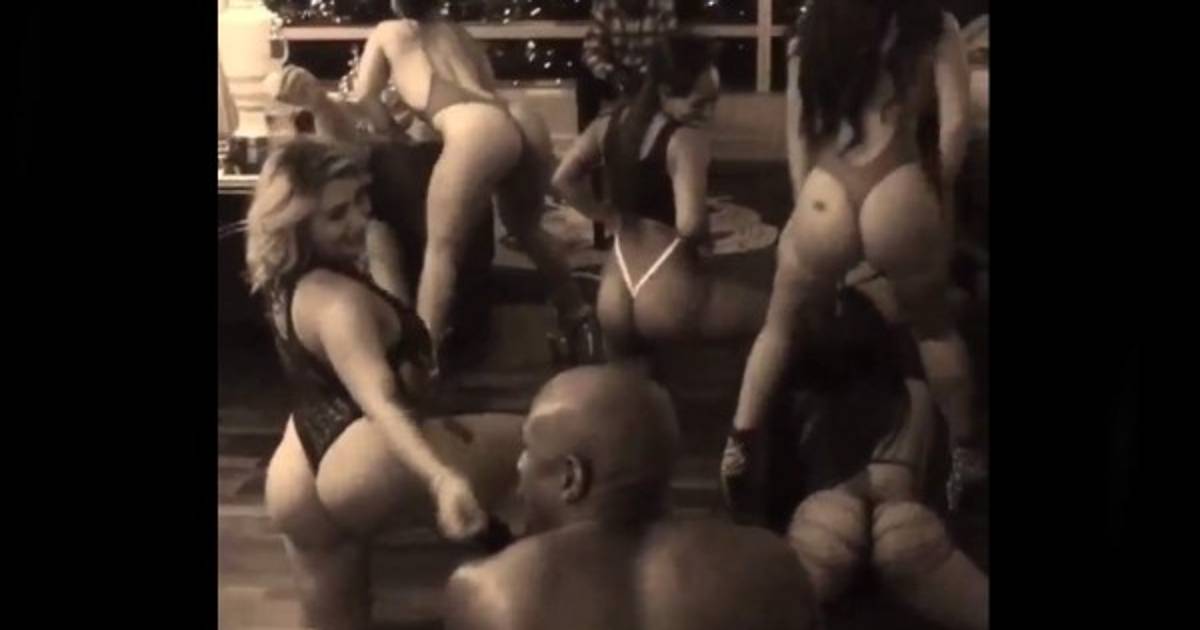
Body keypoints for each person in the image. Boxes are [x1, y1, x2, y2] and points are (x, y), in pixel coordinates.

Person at [245, 139, 525, 630]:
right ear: (297, 222)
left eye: (360, 200)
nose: (357, 219)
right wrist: (440, 478)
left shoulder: (289, 282)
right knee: (542, 446)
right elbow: (381, 401)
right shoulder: (339, 305)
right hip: (362, 456)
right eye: (336, 214)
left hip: (297, 470)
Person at [724, 0, 984, 511]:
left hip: (828, 188)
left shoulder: (812, 24)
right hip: (898, 185)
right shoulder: (934, 24)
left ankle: (739, 443)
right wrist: (932, 196)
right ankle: (967, 454)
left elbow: (799, 134)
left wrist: (803, 209)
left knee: (779, 327)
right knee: (934, 331)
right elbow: (955, 128)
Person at [280, 0, 601, 373]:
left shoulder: (389, 32)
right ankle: (579, 319)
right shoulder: (458, 34)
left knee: (441, 251)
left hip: (476, 129)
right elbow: (473, 91)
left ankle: (422, 359)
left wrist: (387, 127)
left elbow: (367, 103)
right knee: (527, 229)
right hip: (518, 117)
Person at [443, 365, 819, 630]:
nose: (519, 466)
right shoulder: (773, 566)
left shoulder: (489, 593)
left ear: (572, 477)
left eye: (528, 450)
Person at [725, 270, 989, 630]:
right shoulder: (919, 390)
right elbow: (950, 479)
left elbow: (757, 486)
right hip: (904, 517)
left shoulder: (799, 397)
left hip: (828, 515)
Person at [553, 38, 767, 359]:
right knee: (778, 315)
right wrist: (707, 242)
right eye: (699, 104)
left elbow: (562, 179)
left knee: (629, 381)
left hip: (613, 290)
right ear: (665, 92)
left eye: (714, 102)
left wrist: (605, 216)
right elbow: (690, 224)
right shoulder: (686, 139)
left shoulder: (608, 124)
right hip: (667, 290)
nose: (709, 114)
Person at [579, 0, 679, 129]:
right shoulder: (605, 5)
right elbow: (591, 50)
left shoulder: (663, 5)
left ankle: (663, 131)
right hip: (616, 69)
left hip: (651, 71)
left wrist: (645, 74)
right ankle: (588, 132)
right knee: (586, 75)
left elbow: (669, 49)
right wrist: (610, 73)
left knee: (672, 72)